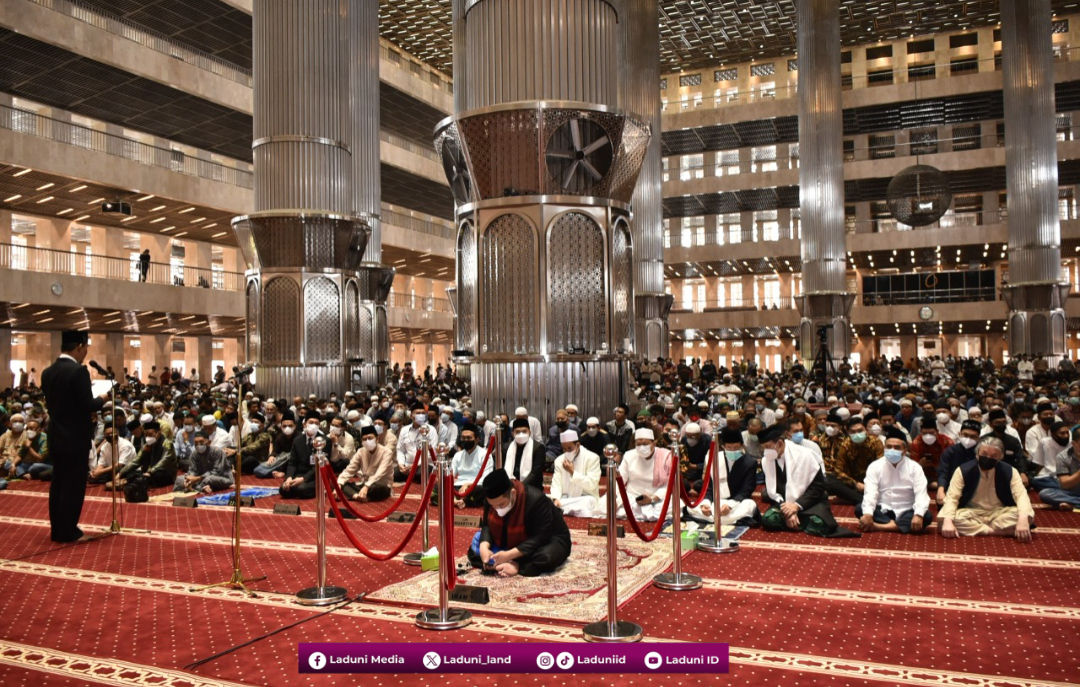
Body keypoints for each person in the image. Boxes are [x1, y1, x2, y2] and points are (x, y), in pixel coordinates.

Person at [41, 330, 106, 542]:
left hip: (56, 436)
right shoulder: (78, 371)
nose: (85, 352)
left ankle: (58, 530)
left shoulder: (48, 371)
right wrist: (104, 397)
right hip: (74, 438)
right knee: (73, 487)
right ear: (79, 346)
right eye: (85, 347)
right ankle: (69, 531)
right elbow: (88, 405)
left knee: (58, 484)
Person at [467, 469, 572, 577]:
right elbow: (487, 524)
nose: (497, 509)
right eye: (493, 506)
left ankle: (517, 565)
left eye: (501, 505)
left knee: (546, 558)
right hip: (513, 539)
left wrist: (509, 555)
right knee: (476, 547)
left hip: (547, 539)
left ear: (513, 493)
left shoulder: (536, 499)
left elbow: (541, 537)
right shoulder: (492, 499)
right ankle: (505, 561)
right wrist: (484, 547)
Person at [759, 424, 856, 538]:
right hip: (783, 504)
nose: (765, 451)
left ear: (779, 443)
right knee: (768, 520)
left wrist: (796, 506)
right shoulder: (767, 460)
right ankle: (796, 521)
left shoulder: (805, 455)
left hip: (808, 502)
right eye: (763, 448)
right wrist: (787, 510)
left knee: (820, 524)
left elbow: (818, 487)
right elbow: (774, 492)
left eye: (767, 447)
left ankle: (796, 521)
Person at [939, 436, 1034, 541]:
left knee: (1025, 516)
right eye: (984, 454)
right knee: (945, 519)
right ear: (977, 454)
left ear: (1000, 457)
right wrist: (948, 521)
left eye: (994, 456)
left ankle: (980, 530)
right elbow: (952, 497)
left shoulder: (1010, 471)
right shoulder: (963, 470)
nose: (988, 458)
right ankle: (998, 532)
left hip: (1000, 513)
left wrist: (1023, 519)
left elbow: (1021, 496)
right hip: (971, 512)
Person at [856, 427, 931, 534]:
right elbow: (870, 492)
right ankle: (899, 526)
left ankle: (879, 526)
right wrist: (868, 514)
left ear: (905, 451)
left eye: (897, 447)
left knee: (926, 515)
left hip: (907, 510)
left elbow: (921, 494)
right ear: (884, 448)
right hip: (884, 510)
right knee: (860, 508)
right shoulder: (875, 466)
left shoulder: (915, 467)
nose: (892, 450)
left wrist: (918, 515)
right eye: (889, 447)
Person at [686, 427, 758, 526]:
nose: (733, 450)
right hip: (716, 502)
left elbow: (747, 490)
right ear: (723, 446)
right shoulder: (715, 459)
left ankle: (713, 519)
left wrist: (729, 506)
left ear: (742, 446)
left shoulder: (750, 462)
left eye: (736, 447)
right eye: (729, 447)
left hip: (737, 503)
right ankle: (723, 519)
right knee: (692, 507)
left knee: (750, 505)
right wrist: (705, 504)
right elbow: (709, 488)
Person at [602, 428, 674, 522]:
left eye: (645, 444)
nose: (641, 447)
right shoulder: (629, 455)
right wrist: (614, 497)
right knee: (605, 502)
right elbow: (619, 480)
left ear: (654, 443)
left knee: (672, 505)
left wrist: (652, 498)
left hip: (656, 497)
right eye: (638, 444)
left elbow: (669, 485)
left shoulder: (665, 456)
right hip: (632, 497)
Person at [549, 429, 601, 517]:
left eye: (569, 448)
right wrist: (555, 499)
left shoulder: (592, 458)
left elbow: (592, 484)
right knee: (546, 499)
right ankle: (561, 507)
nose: (567, 452)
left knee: (589, 501)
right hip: (565, 498)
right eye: (564, 449)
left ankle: (561, 508)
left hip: (585, 498)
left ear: (577, 445)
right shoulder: (559, 460)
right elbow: (556, 484)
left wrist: (573, 472)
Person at [338, 425, 395, 502]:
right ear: (362, 442)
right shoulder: (361, 451)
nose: (367, 441)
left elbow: (380, 473)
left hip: (379, 485)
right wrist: (339, 484)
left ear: (377, 439)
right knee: (338, 483)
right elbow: (349, 470)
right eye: (364, 439)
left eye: (370, 438)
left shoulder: (387, 452)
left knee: (378, 487)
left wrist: (366, 486)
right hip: (364, 484)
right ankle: (357, 496)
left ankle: (353, 494)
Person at [116, 420, 176, 488]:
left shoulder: (167, 443)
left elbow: (164, 461)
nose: (147, 437)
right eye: (146, 435)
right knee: (127, 472)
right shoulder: (146, 445)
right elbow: (136, 461)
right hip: (147, 472)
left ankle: (131, 482)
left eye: (150, 435)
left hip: (164, 472)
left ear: (158, 434)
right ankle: (136, 481)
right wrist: (121, 473)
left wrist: (150, 472)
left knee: (156, 475)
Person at [448, 424, 492, 508]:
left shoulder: (485, 455)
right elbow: (451, 474)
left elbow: (486, 477)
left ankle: (457, 500)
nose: (465, 440)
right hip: (458, 486)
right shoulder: (458, 455)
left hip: (475, 486)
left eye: (469, 438)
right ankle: (459, 501)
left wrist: (468, 485)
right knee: (438, 487)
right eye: (463, 438)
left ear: (477, 439)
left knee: (482, 490)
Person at [280, 417, 325, 499]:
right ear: (305, 424)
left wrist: (304, 478)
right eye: (311, 422)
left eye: (316, 423)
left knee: (302, 489)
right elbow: (292, 462)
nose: (313, 425)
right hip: (299, 473)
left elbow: (319, 466)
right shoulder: (297, 440)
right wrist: (289, 477)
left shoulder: (324, 440)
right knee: (283, 490)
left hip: (315, 476)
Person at [1038, 425, 1080, 510]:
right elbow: (1065, 484)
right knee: (1045, 493)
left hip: (1071, 497)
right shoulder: (1063, 457)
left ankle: (1073, 505)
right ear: (1074, 444)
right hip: (1071, 493)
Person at [503, 418, 546, 489]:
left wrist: (520, 487)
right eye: (517, 432)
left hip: (531, 486)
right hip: (509, 486)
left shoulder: (538, 448)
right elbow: (503, 469)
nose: (521, 434)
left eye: (524, 431)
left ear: (529, 432)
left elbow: (536, 473)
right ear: (512, 433)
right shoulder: (506, 447)